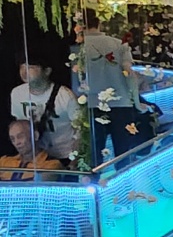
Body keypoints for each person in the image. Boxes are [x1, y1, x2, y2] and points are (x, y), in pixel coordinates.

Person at [77, 11, 143, 167]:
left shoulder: (81, 48)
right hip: (121, 103)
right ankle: (123, 180)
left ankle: (94, 180)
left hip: (93, 104)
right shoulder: (119, 44)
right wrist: (137, 102)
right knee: (123, 152)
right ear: (99, 23)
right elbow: (129, 75)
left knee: (95, 154)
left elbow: (79, 80)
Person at [10, 58, 78, 167]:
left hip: (64, 156)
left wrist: (74, 161)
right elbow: (20, 125)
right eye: (22, 67)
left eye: (30, 67)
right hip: (36, 158)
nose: (24, 72)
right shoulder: (17, 93)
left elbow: (81, 131)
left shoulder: (65, 96)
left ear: (47, 71)